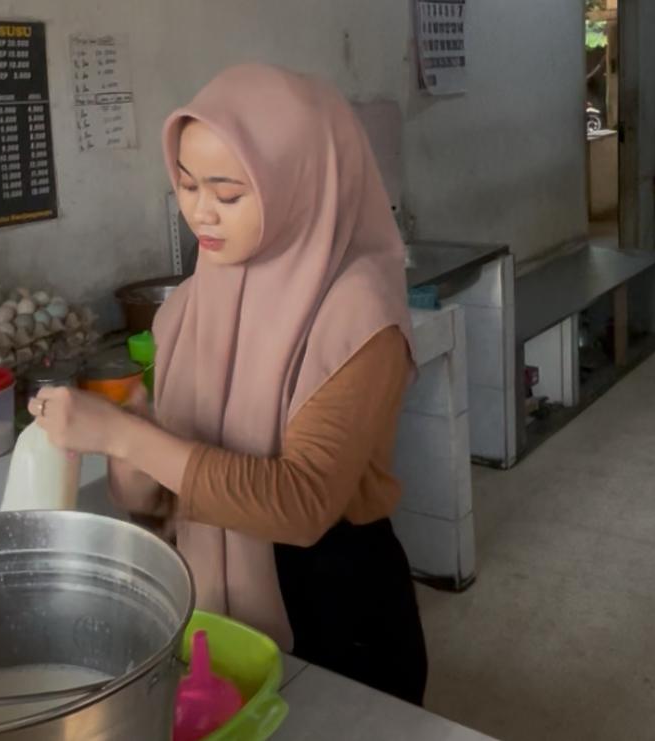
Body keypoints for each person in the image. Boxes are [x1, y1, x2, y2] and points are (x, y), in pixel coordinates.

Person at [30, 63, 428, 704]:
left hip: (333, 606)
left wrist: (129, 439)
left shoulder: (360, 318)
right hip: (212, 613)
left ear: (298, 183)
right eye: (186, 187)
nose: (201, 214)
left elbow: (300, 504)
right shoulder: (189, 305)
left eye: (230, 193)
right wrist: (127, 443)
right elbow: (165, 502)